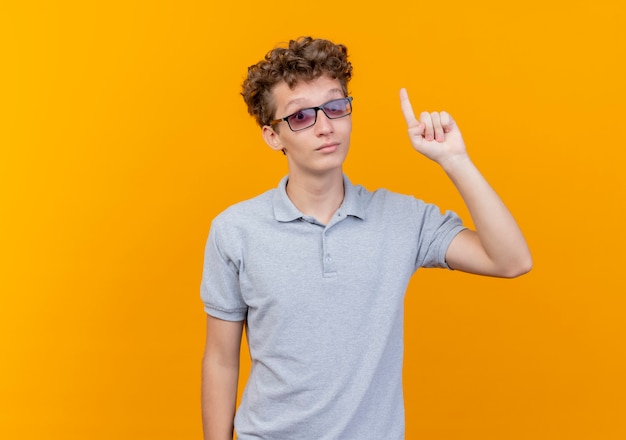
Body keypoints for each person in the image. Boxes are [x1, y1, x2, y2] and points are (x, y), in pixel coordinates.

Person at [200, 36, 532, 440]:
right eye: (302, 116)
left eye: (336, 107)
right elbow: (221, 359)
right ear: (273, 136)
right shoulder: (235, 230)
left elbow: (511, 261)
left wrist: (455, 161)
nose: (326, 127)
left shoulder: (402, 218)